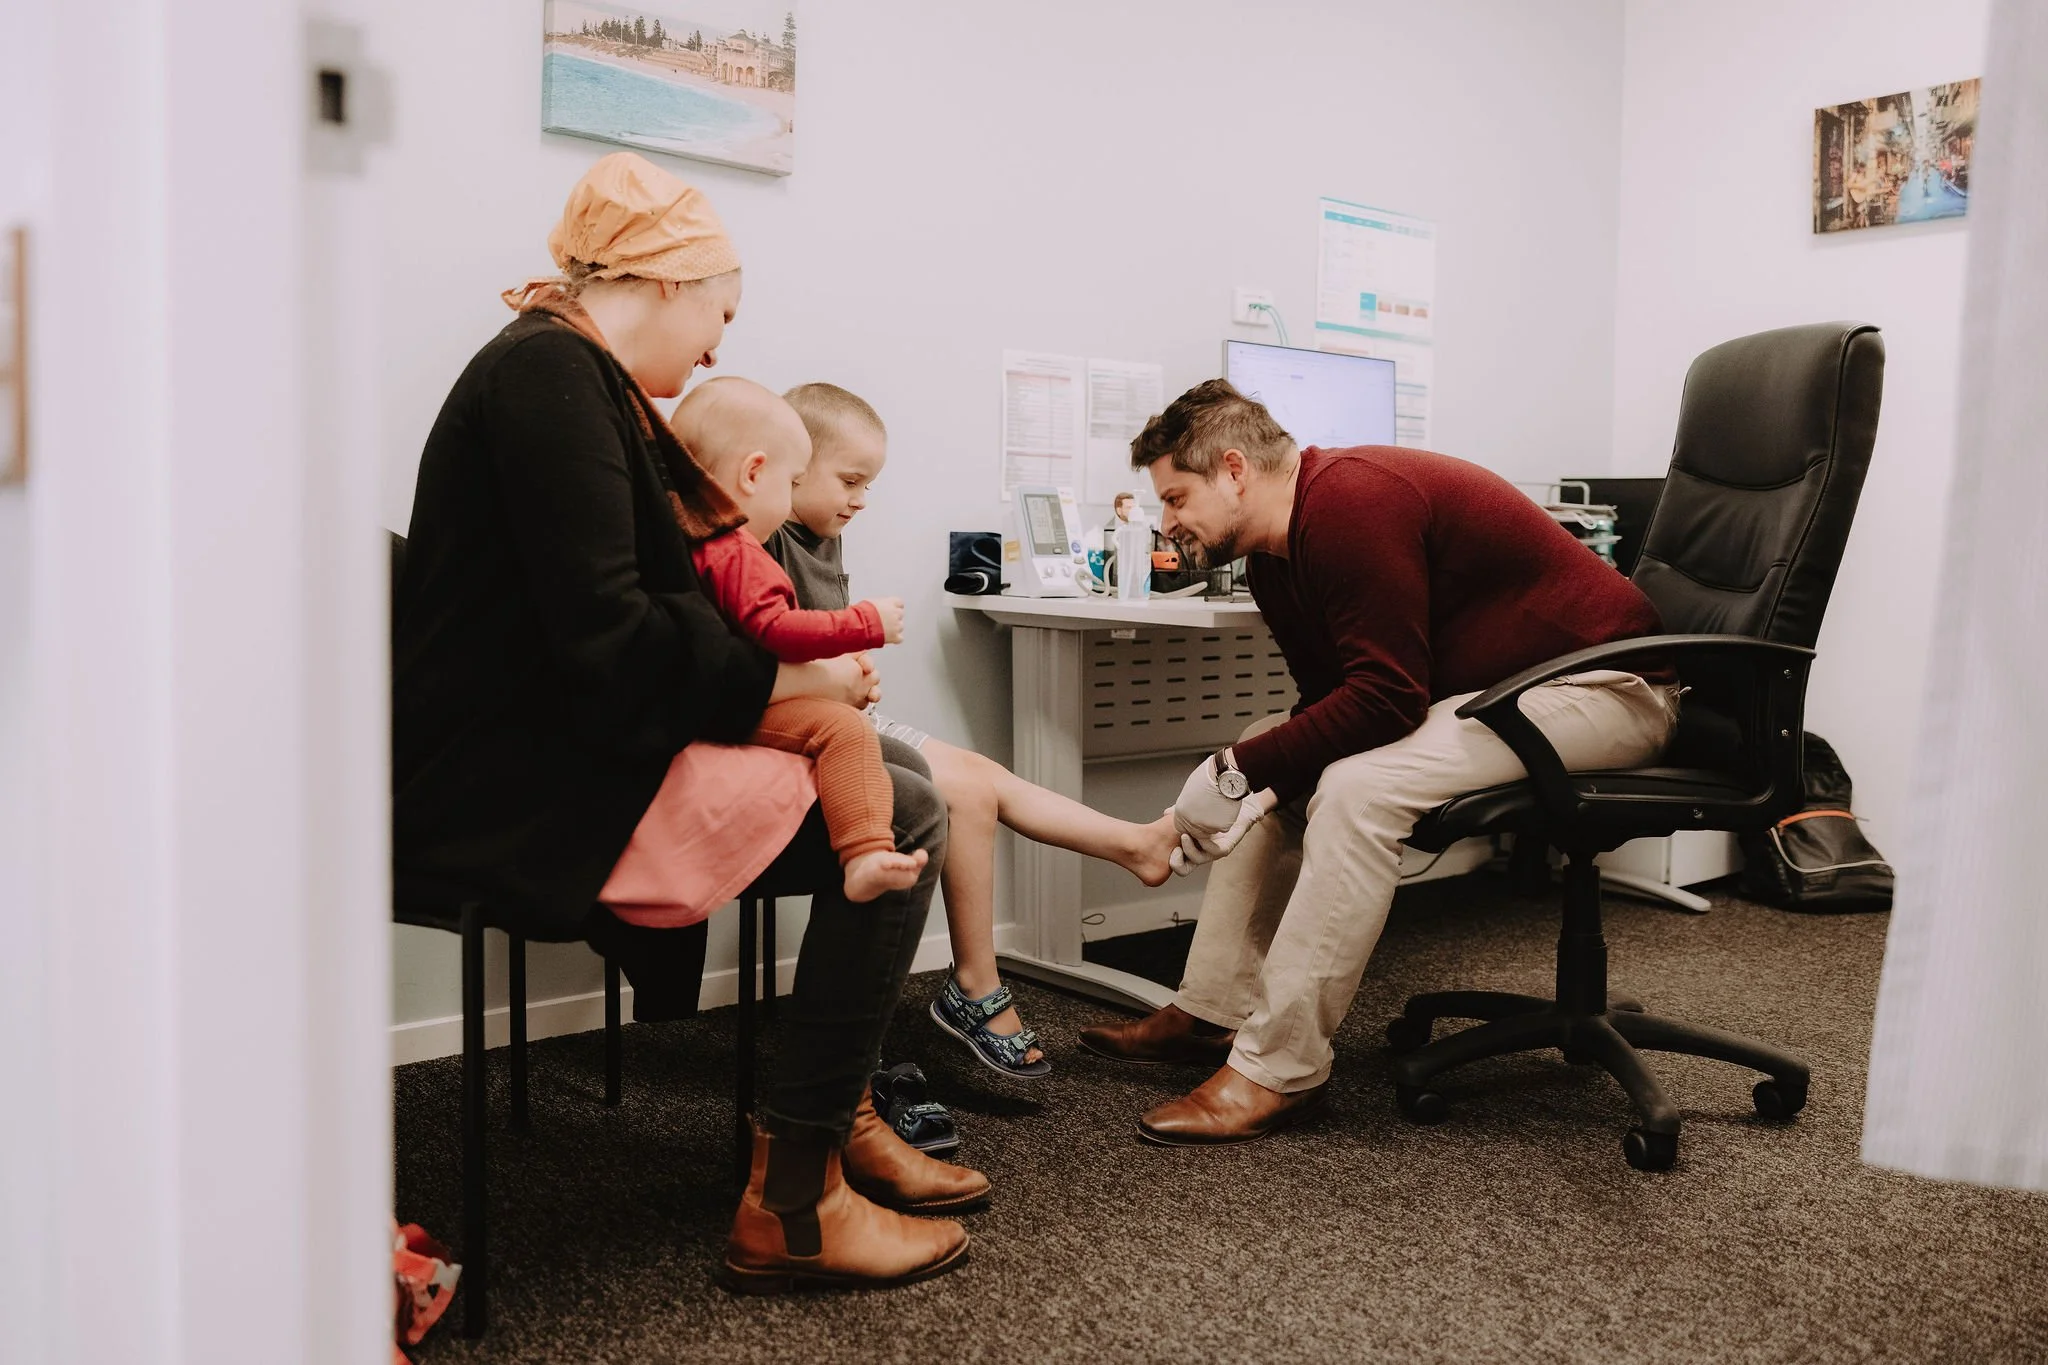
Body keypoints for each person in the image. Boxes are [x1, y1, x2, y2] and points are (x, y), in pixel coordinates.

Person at [392, 151, 978, 1294]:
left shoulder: (562, 375)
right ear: (663, 282)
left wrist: (776, 694)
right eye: (718, 312)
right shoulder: (549, 379)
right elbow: (613, 634)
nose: (714, 346)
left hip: (533, 744)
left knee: (891, 781)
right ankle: (800, 1188)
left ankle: (831, 1117)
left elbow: (627, 622)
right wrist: (782, 694)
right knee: (903, 806)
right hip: (513, 783)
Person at [1077, 379, 1680, 1145]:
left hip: (1613, 692)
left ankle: (1281, 1069)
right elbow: (1329, 703)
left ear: (1234, 470)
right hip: (1511, 695)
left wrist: (1232, 771)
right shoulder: (1275, 557)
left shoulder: (1351, 501)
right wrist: (1245, 789)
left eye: (1176, 497)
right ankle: (1209, 1012)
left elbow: (1390, 699)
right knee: (1276, 748)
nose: (1168, 522)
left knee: (1358, 788)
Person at [764, 382, 1181, 1079]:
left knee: (982, 777)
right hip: (817, 725)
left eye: (868, 485)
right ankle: (979, 983)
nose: (861, 499)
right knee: (972, 791)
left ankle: (1128, 849)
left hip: (847, 714)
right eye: (850, 481)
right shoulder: (769, 534)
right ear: (793, 467)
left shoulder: (823, 534)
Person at [668, 376, 925, 904]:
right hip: (729, 709)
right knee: (844, 730)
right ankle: (866, 852)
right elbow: (777, 630)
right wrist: (865, 624)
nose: (789, 501)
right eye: (790, 484)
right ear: (753, 473)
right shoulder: (736, 549)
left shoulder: (682, 532)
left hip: (702, 701)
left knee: (880, 746)